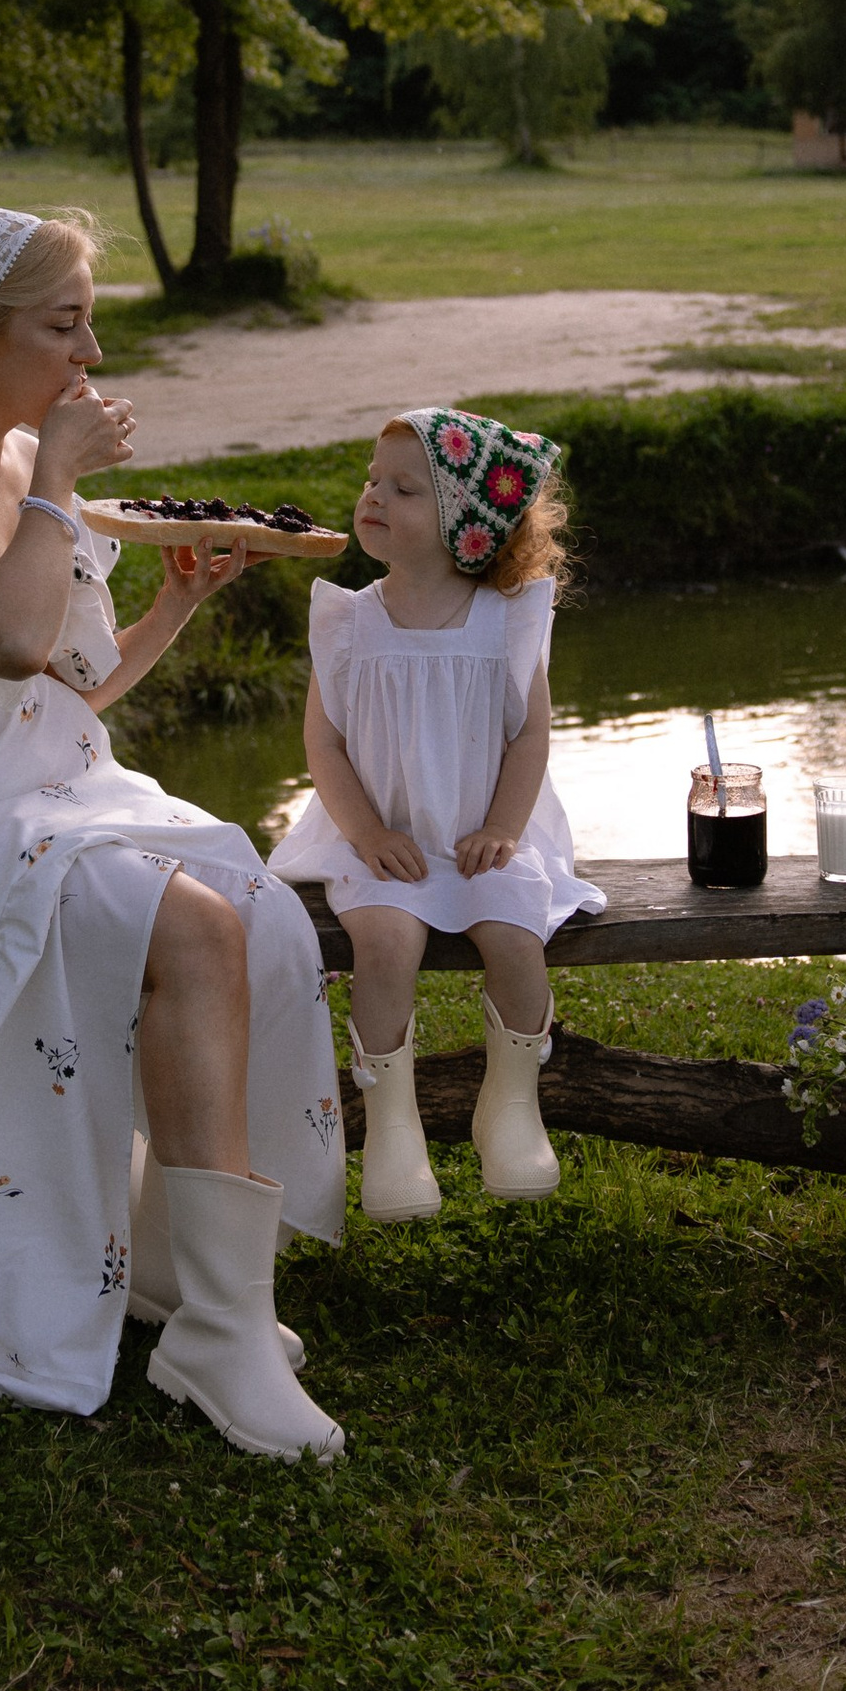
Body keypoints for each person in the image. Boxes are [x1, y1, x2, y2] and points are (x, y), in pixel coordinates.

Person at [0, 204, 346, 1458]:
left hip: (41, 796)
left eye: (91, 325)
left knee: (240, 905)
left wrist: (170, 607)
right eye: (64, 324)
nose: (89, 357)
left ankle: (211, 1300)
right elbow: (7, 639)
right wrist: (63, 485)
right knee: (188, 922)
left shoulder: (22, 471)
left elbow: (58, 691)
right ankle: (218, 1327)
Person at [272, 409, 602, 1222]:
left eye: (404, 488)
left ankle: (510, 1105)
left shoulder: (507, 620)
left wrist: (504, 828)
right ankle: (393, 1124)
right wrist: (367, 834)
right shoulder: (350, 621)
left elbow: (528, 739)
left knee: (518, 943)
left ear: (467, 524)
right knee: (383, 947)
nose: (374, 496)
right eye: (372, 481)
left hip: (482, 837)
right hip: (380, 839)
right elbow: (326, 747)